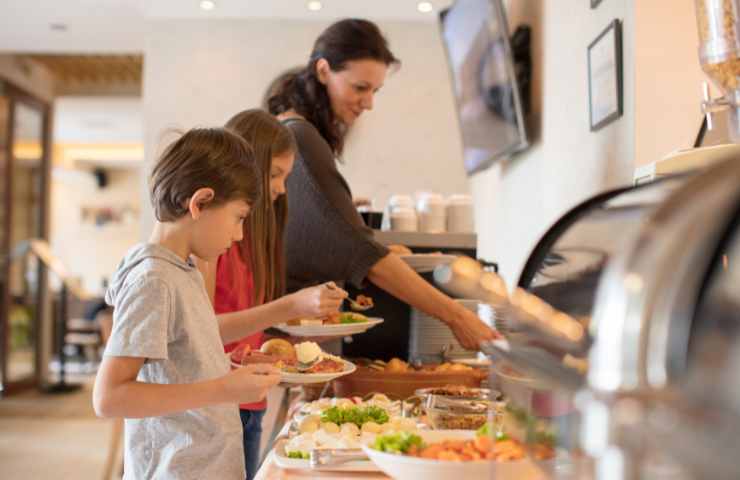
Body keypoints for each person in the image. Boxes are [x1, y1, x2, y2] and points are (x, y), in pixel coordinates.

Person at [268, 18, 497, 355]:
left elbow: (332, 234)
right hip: (284, 339)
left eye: (375, 91)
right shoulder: (301, 137)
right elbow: (363, 255)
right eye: (360, 87)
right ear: (322, 71)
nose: (369, 102)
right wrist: (458, 317)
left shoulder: (294, 131)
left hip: (291, 333)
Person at [92, 127, 282, 480]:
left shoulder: (185, 270)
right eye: (239, 217)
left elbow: (175, 368)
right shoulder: (154, 279)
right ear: (200, 203)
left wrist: (224, 364)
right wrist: (223, 387)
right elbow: (110, 397)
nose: (239, 234)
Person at [197, 109, 347, 480]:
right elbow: (202, 330)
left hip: (250, 401)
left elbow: (248, 329)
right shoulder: (214, 240)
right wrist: (289, 307)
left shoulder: (253, 239)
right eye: (276, 175)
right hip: (216, 406)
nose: (282, 189)